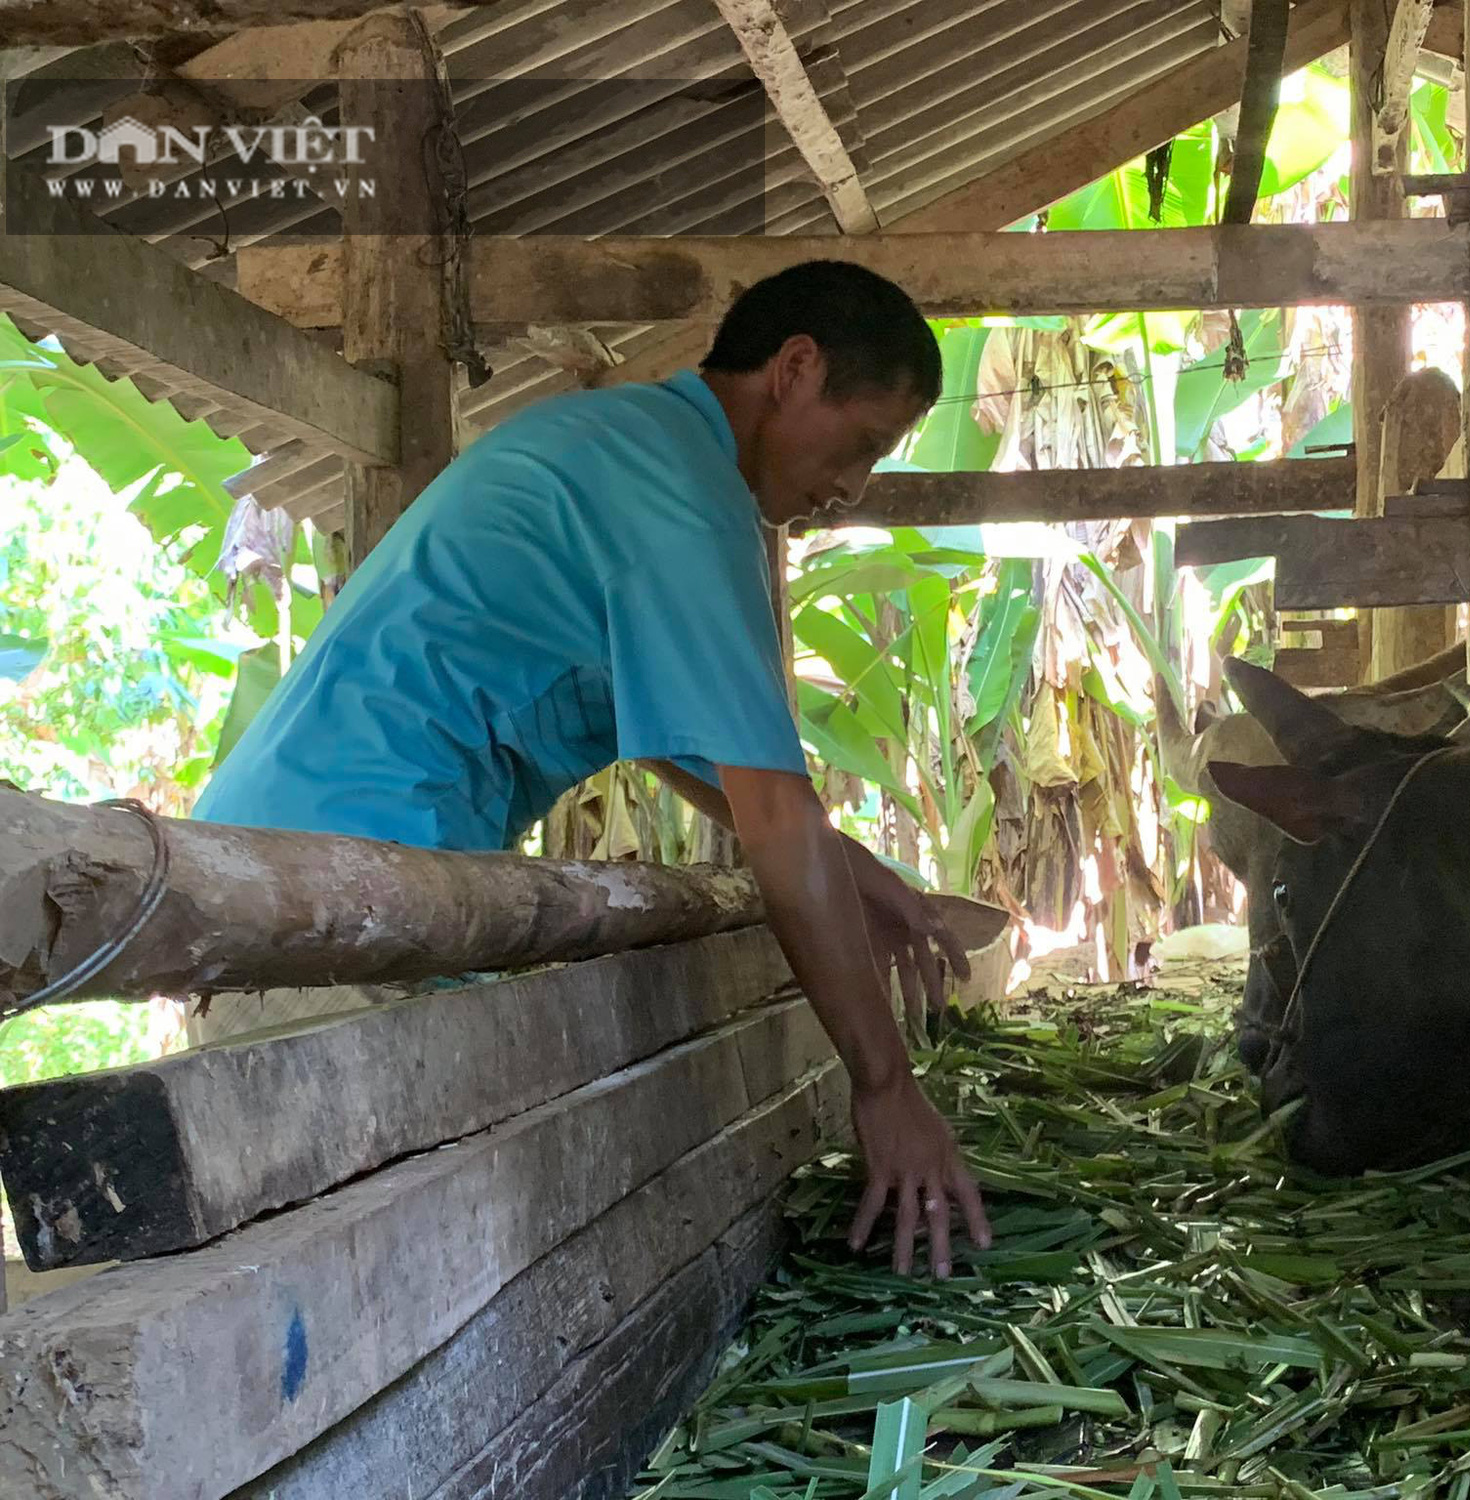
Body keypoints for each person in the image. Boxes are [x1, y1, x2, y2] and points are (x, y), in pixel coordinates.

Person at [192, 260, 991, 1279]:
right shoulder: (684, 496)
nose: (850, 488)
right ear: (795, 369)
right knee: (311, 1283)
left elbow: (678, 740)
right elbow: (775, 823)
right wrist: (885, 1086)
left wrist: (852, 867)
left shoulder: (638, 450)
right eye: (864, 445)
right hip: (324, 902)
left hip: (315, 871)